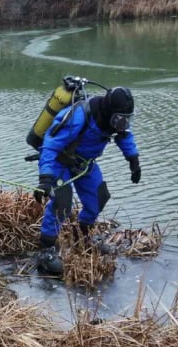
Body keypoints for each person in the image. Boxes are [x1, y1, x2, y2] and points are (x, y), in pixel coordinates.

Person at [33, 86, 141, 275]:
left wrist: (133, 160)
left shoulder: (114, 121)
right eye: (120, 119)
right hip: (60, 162)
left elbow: (125, 135)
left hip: (85, 164)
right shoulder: (79, 117)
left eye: (126, 118)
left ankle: (81, 238)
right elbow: (50, 145)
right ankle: (45, 251)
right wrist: (45, 179)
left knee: (98, 199)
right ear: (109, 112)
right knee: (62, 203)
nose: (123, 123)